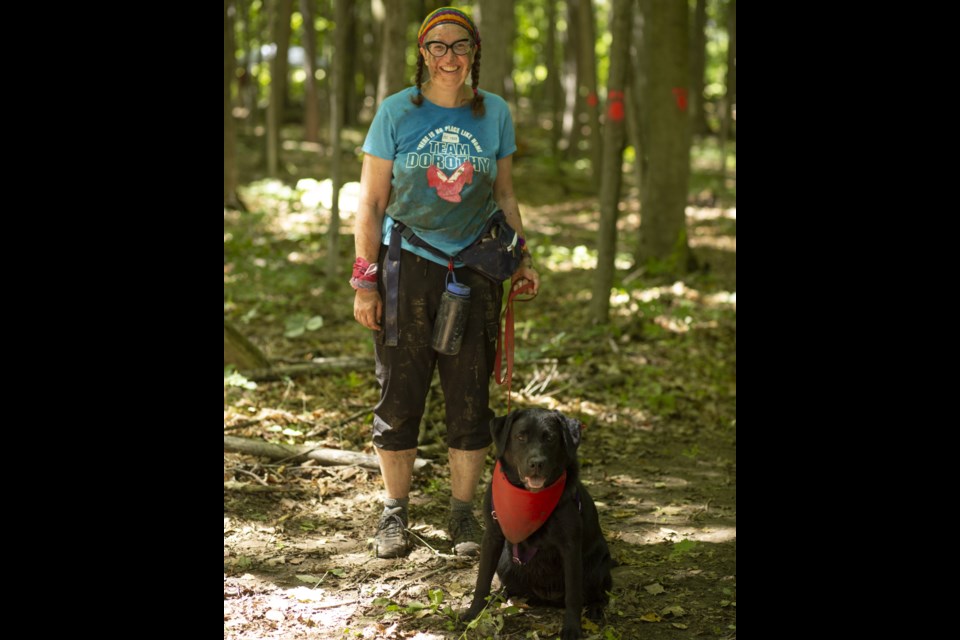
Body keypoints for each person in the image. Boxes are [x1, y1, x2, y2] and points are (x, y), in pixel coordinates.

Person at [350, 7, 540, 558]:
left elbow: (504, 195)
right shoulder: (396, 112)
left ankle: (462, 516)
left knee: (468, 395)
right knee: (400, 392)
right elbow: (370, 200)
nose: (449, 56)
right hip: (407, 264)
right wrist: (366, 282)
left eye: (460, 46)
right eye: (438, 46)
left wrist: (521, 257)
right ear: (422, 53)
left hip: (478, 265)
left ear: (474, 51)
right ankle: (394, 513)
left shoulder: (495, 112)